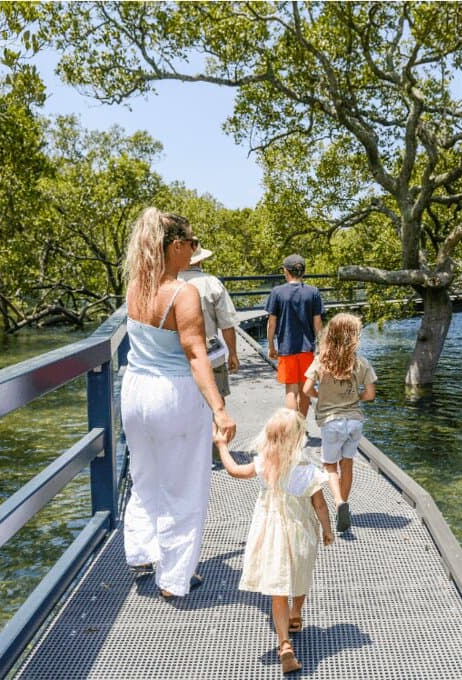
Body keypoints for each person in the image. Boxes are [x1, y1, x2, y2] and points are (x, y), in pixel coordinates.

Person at [120, 207, 237, 599]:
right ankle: (173, 578)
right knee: (184, 485)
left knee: (145, 474)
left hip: (135, 391)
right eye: (191, 242)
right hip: (172, 393)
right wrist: (219, 408)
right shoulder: (181, 293)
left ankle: (141, 550)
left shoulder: (135, 285)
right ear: (174, 246)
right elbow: (195, 354)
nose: (194, 249)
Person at [214, 408, 334, 674]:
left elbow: (234, 470)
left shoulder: (263, 464)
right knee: (300, 576)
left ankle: (284, 645)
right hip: (300, 533)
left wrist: (222, 445)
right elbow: (321, 505)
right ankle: (296, 614)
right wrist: (327, 530)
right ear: (299, 438)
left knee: (278, 592)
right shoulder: (309, 472)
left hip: (270, 534)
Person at [302, 313, 377, 533]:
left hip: (331, 422)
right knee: (347, 464)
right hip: (354, 422)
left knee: (329, 466)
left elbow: (306, 390)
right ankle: (344, 504)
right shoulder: (361, 363)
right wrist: (354, 399)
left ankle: (339, 503)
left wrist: (321, 396)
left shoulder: (321, 362)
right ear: (354, 337)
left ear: (330, 335)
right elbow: (370, 394)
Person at [265, 254, 323, 418]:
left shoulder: (277, 292)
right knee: (305, 389)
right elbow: (317, 323)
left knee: (291, 389)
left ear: (286, 271)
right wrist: (320, 346)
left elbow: (271, 323)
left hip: (286, 348)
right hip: (307, 349)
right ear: (302, 271)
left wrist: (271, 346)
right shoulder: (313, 292)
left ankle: (292, 429)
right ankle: (302, 425)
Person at [178, 246, 240, 400]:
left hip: (179, 358)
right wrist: (233, 353)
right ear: (201, 260)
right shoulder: (212, 283)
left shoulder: (170, 283)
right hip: (211, 356)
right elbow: (227, 324)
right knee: (216, 403)